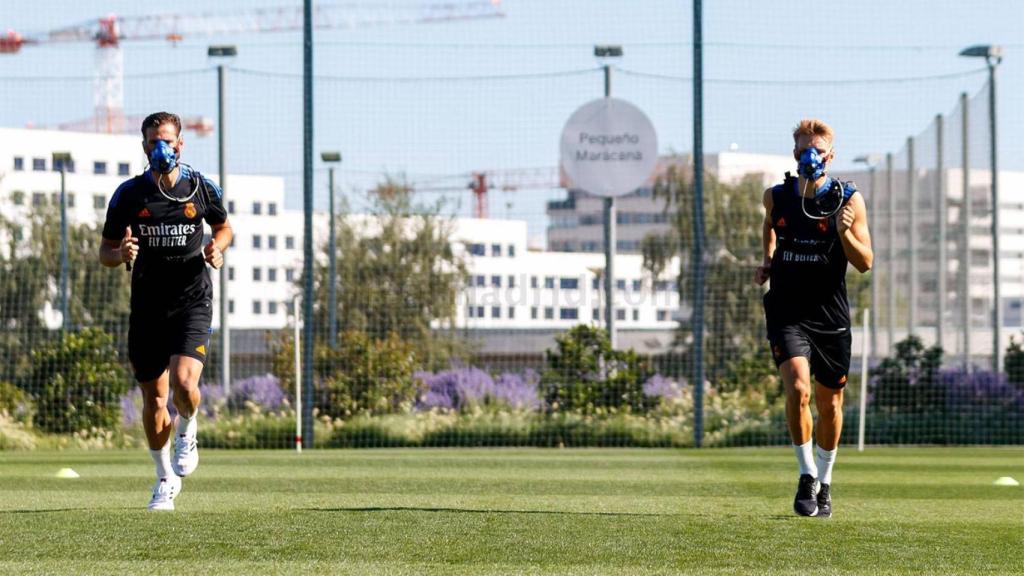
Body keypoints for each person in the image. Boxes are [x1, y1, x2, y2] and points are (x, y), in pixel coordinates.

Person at [100, 112, 233, 511]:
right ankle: (164, 479)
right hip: (147, 309)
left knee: (184, 383)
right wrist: (119, 253)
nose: (161, 147)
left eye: (167, 140)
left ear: (180, 144)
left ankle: (188, 429)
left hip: (192, 301)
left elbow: (225, 226)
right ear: (144, 147)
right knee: (155, 400)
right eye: (153, 141)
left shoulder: (199, 188)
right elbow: (104, 251)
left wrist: (218, 247)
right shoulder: (129, 195)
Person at [755, 119, 872, 517]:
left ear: (830, 155)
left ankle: (825, 481)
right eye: (804, 148)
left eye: (817, 150)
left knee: (831, 404)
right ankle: (806, 474)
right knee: (799, 389)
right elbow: (770, 225)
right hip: (788, 310)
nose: (811, 156)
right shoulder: (776, 196)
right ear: (794, 153)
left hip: (830, 315)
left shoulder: (848, 200)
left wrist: (844, 233)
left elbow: (865, 263)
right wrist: (768, 260)